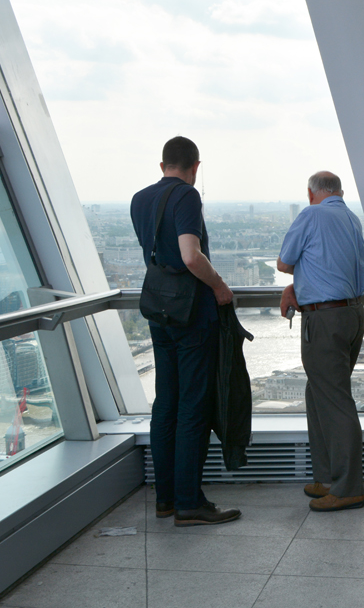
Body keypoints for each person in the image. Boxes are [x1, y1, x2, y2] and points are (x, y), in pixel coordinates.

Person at [130, 136, 240, 527]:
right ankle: (190, 502)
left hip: (159, 310)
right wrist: (219, 286)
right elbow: (190, 256)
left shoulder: (140, 199)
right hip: (192, 313)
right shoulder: (188, 196)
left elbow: (157, 254)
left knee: (167, 403)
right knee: (194, 406)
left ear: (162, 166)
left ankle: (166, 499)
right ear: (195, 166)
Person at [278, 171, 364, 512]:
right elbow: (355, 271)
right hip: (352, 315)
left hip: (324, 319)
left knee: (334, 399)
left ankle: (347, 488)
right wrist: (301, 284)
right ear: (339, 192)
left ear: (310, 193)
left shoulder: (310, 214)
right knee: (318, 392)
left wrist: (295, 283)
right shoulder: (350, 218)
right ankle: (328, 476)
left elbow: (284, 262)